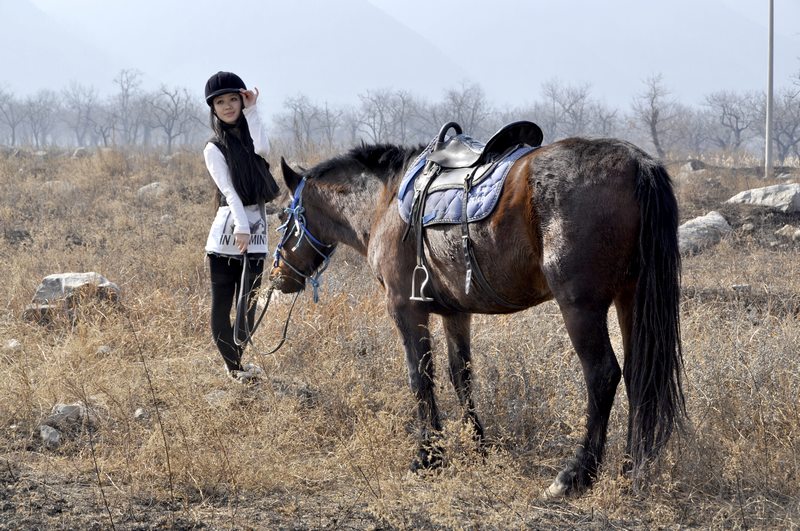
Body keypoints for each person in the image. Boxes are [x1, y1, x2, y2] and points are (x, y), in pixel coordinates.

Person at [203, 71, 280, 383]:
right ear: (213, 108)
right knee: (223, 304)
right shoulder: (213, 148)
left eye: (232, 99)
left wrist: (253, 110)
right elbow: (229, 192)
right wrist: (241, 226)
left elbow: (263, 149)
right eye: (220, 102)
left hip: (256, 228)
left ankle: (236, 362)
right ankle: (233, 369)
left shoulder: (250, 135)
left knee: (249, 303)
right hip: (228, 232)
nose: (227, 106)